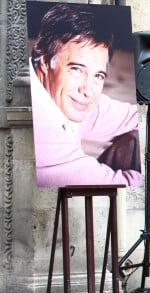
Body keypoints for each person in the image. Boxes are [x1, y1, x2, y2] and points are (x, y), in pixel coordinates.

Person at [29, 2, 142, 187]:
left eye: (98, 75)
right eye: (76, 69)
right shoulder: (37, 127)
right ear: (44, 61)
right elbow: (120, 186)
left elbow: (137, 117)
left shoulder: (64, 94)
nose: (88, 91)